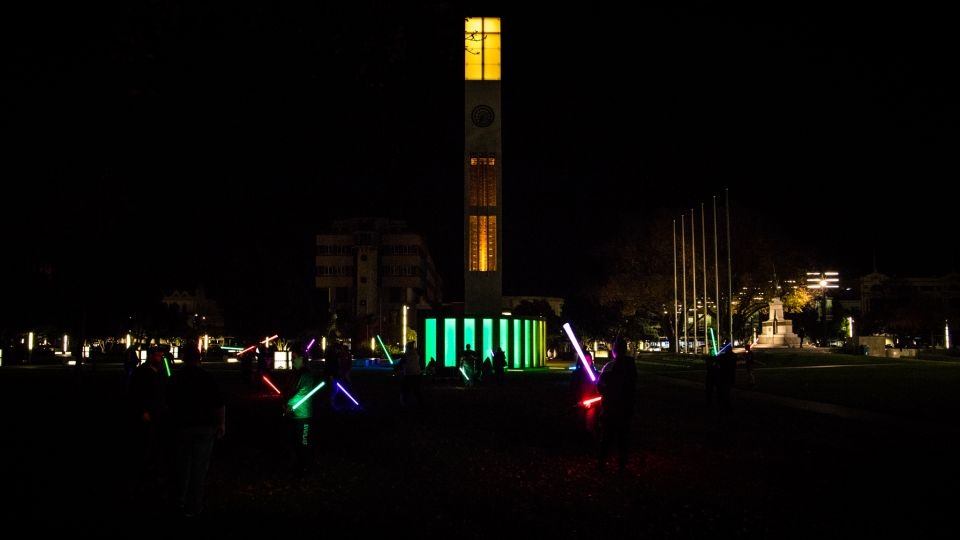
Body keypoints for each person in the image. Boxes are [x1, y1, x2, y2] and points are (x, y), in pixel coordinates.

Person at [167, 344, 225, 518]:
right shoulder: (208, 378)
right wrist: (221, 424)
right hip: (204, 427)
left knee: (181, 466)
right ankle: (194, 505)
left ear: (184, 358)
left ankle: (179, 501)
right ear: (200, 358)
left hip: (182, 426)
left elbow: (168, 402)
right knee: (199, 468)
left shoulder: (176, 378)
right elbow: (219, 403)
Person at [125, 346, 169, 503]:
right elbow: (135, 394)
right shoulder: (142, 372)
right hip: (148, 414)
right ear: (151, 356)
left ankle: (155, 468)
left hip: (160, 412)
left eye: (161, 356)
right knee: (146, 443)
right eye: (158, 355)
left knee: (158, 442)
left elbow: (166, 389)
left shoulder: (162, 371)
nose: (161, 358)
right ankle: (143, 471)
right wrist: (143, 410)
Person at [596, 338, 637, 473]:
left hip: (610, 408)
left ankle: (601, 465)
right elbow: (633, 386)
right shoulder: (631, 366)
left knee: (606, 438)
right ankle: (622, 466)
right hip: (625, 408)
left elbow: (600, 387)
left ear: (614, 350)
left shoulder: (609, 366)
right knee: (623, 439)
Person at [284, 351, 321, 476]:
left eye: (294, 358)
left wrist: (288, 404)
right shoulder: (293, 374)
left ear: (302, 359)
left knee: (303, 443)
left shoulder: (306, 375)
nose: (292, 360)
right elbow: (288, 390)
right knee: (292, 442)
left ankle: (305, 467)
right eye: (292, 358)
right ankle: (295, 466)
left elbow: (303, 393)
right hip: (291, 414)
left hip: (303, 415)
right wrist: (285, 404)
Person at [570, 351, 599, 442]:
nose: (587, 362)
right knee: (579, 424)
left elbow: (599, 391)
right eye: (584, 360)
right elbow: (572, 389)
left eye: (589, 360)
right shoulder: (576, 374)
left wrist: (592, 402)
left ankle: (591, 442)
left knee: (589, 425)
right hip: (580, 403)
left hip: (592, 404)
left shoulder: (596, 374)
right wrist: (578, 401)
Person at [400, 341, 424, 407]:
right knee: (417, 391)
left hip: (408, 375)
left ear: (407, 347)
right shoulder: (416, 354)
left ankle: (404, 404)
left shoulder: (406, 355)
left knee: (405, 390)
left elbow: (401, 364)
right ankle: (420, 404)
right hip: (417, 374)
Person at [717, 344, 737, 412]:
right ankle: (728, 403)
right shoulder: (734, 356)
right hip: (731, 375)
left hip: (724, 375)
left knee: (724, 390)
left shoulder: (723, 357)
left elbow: (718, 362)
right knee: (728, 390)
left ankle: (724, 403)